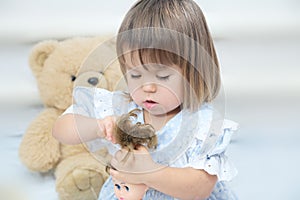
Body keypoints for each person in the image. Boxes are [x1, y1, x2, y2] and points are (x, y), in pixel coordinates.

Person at [53, 0, 238, 199]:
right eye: (135, 75)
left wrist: (148, 172)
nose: (147, 87)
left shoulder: (202, 123)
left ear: (195, 71)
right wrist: (98, 127)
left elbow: (199, 189)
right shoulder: (121, 108)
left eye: (162, 77)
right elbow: (61, 129)